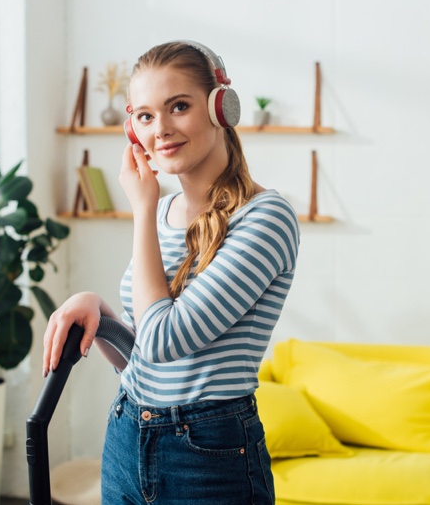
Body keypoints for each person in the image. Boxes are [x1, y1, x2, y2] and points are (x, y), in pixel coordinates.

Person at [42, 40, 300, 504]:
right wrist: (97, 311)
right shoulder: (161, 212)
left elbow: (164, 341)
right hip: (127, 431)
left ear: (221, 108)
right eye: (144, 115)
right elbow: (142, 356)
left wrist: (140, 211)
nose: (160, 129)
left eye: (178, 106)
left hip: (206, 454)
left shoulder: (265, 218)